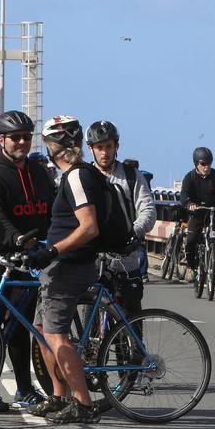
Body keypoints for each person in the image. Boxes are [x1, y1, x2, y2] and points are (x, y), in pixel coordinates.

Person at [26, 116, 110, 425]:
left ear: (53, 149)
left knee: (57, 336)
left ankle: (83, 403)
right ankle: (59, 396)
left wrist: (52, 251)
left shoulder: (76, 177)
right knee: (41, 331)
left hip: (69, 266)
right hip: (60, 265)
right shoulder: (75, 176)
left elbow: (88, 227)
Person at [0, 110, 56, 412]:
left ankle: (24, 388)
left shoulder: (38, 171)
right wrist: (15, 237)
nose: (22, 142)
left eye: (26, 137)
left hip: (29, 259)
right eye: (15, 137)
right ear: (0, 140)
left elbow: (52, 209)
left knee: (21, 326)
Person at [86, 121, 154, 316]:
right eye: (99, 147)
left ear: (117, 146)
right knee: (90, 323)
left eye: (109, 146)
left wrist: (133, 231)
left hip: (125, 259)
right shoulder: (83, 176)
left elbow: (148, 209)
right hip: (93, 259)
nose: (104, 152)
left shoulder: (132, 176)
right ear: (91, 149)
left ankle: (133, 347)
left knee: (131, 322)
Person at [179, 147, 215, 274]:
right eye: (203, 164)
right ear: (196, 164)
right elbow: (184, 195)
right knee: (191, 239)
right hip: (198, 214)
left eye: (209, 164)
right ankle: (191, 265)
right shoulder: (189, 177)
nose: (206, 167)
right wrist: (189, 204)